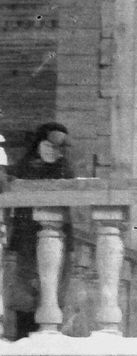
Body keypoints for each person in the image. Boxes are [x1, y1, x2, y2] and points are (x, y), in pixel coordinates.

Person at [3, 122, 71, 338]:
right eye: (49, 146)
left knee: (53, 290)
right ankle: (23, 336)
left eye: (58, 148)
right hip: (26, 239)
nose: (54, 151)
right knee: (25, 292)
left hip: (57, 237)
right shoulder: (24, 167)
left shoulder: (64, 168)